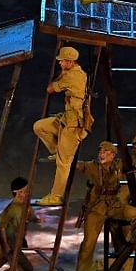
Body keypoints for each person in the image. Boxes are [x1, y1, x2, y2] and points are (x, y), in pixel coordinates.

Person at [73, 140, 136, 271]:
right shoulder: (93, 166)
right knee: (89, 243)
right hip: (97, 208)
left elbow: (132, 162)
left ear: (112, 155)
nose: (101, 154)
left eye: (105, 152)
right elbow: (79, 165)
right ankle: (81, 269)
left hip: (113, 205)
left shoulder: (118, 165)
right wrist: (65, 158)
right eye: (100, 151)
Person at [35, 46, 92, 206]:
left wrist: (60, 76)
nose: (59, 63)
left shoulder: (72, 77)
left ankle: (56, 196)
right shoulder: (75, 72)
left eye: (62, 61)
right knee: (40, 126)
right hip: (66, 119)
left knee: (63, 163)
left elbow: (50, 89)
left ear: (69, 62)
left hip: (74, 125)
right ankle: (56, 149)